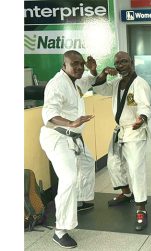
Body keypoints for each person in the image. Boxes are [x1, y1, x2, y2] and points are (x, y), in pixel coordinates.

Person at [40, 50, 98, 248]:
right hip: (57, 138)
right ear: (64, 65)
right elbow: (49, 114)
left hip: (73, 138)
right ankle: (60, 230)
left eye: (81, 64)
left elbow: (89, 81)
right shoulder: (57, 84)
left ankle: (78, 200)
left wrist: (93, 70)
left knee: (88, 162)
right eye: (75, 64)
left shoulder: (74, 81)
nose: (79, 67)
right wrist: (71, 123)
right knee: (69, 178)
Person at [92, 51, 151, 231]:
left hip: (135, 130)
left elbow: (145, 106)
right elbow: (99, 88)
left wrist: (142, 118)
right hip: (120, 131)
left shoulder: (140, 84)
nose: (120, 65)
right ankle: (126, 194)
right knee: (113, 163)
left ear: (131, 63)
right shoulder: (116, 83)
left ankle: (141, 208)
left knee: (135, 168)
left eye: (124, 62)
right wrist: (99, 73)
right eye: (117, 63)